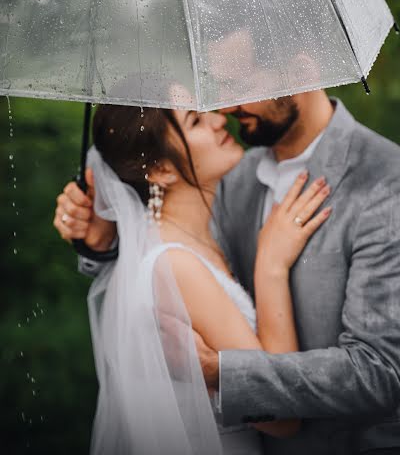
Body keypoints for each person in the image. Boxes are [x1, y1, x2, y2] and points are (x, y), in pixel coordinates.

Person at [54, 90, 400, 455]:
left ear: (297, 69)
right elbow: (162, 270)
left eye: (242, 82)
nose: (225, 109)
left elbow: (379, 371)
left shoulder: (384, 180)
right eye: (198, 117)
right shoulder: (235, 180)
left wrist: (221, 371)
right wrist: (102, 241)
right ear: (160, 169)